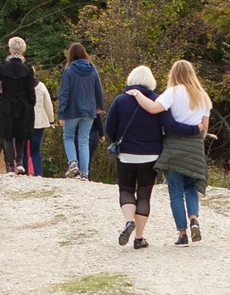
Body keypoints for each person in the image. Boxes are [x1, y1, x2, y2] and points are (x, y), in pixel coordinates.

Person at [105, 64, 166, 249]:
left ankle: (128, 221)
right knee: (144, 196)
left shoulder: (120, 100)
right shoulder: (157, 101)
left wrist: (117, 141)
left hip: (126, 154)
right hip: (151, 155)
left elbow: (109, 128)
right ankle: (139, 238)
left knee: (126, 190)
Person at [156, 59, 214, 246]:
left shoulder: (171, 92)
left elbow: (157, 109)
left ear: (173, 74)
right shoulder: (203, 96)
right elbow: (204, 127)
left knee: (175, 192)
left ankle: (182, 233)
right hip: (195, 147)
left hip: (173, 146)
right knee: (191, 187)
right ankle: (194, 219)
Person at [57, 43, 104, 180]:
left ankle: (73, 163)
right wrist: (99, 106)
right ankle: (84, 173)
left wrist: (61, 113)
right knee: (84, 140)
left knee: (68, 136)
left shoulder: (69, 71)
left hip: (72, 109)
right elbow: (99, 91)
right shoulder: (93, 70)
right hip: (89, 110)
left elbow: (64, 93)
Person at [0, 37, 39, 176]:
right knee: (20, 133)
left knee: (7, 135)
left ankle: (9, 165)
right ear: (23, 51)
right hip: (23, 104)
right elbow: (31, 90)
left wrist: (0, 97)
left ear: (10, 50)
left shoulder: (3, 67)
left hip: (7, 103)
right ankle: (19, 162)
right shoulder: (28, 69)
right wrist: (31, 103)